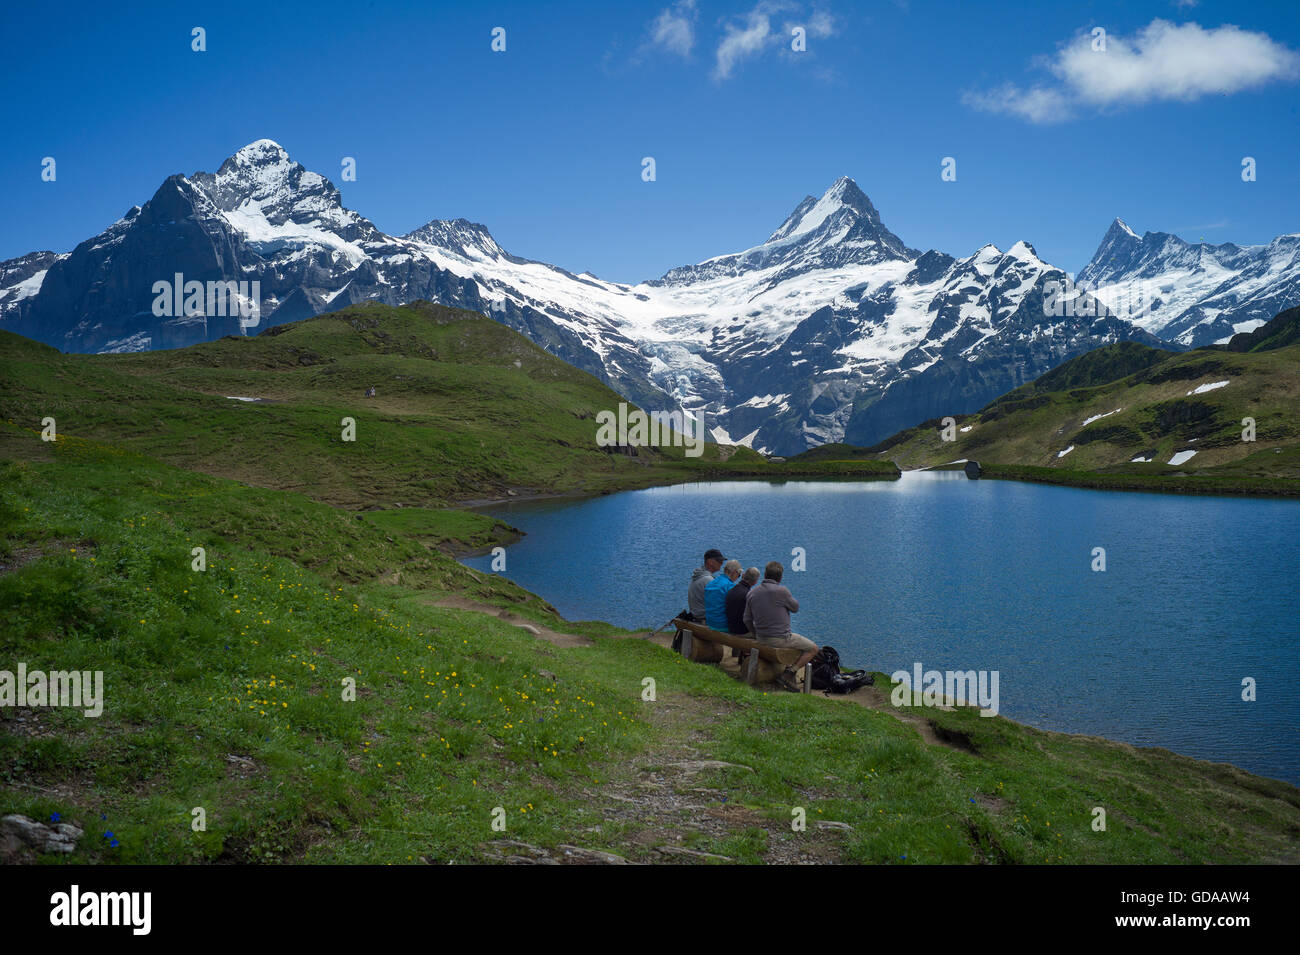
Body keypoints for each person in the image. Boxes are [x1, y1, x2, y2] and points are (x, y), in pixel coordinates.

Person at [743, 560, 819, 691]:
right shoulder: (782, 591)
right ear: (780, 577)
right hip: (781, 638)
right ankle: (790, 673)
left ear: (765, 574)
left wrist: (755, 634)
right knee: (813, 648)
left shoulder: (752, 593)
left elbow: (747, 619)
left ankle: (787, 673)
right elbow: (795, 607)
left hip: (761, 637)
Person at [686, 548, 725, 622]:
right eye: (719, 561)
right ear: (710, 562)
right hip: (704, 618)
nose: (722, 563)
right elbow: (718, 602)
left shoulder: (698, 576)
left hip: (696, 615)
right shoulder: (708, 580)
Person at [704, 560, 741, 631]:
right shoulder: (730, 586)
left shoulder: (711, 583)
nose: (738, 577)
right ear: (734, 572)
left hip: (710, 623)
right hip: (723, 626)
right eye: (739, 574)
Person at [726, 566, 760, 636]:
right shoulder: (749, 595)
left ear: (743, 576)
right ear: (755, 582)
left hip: (731, 628)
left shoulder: (731, 590)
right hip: (742, 631)